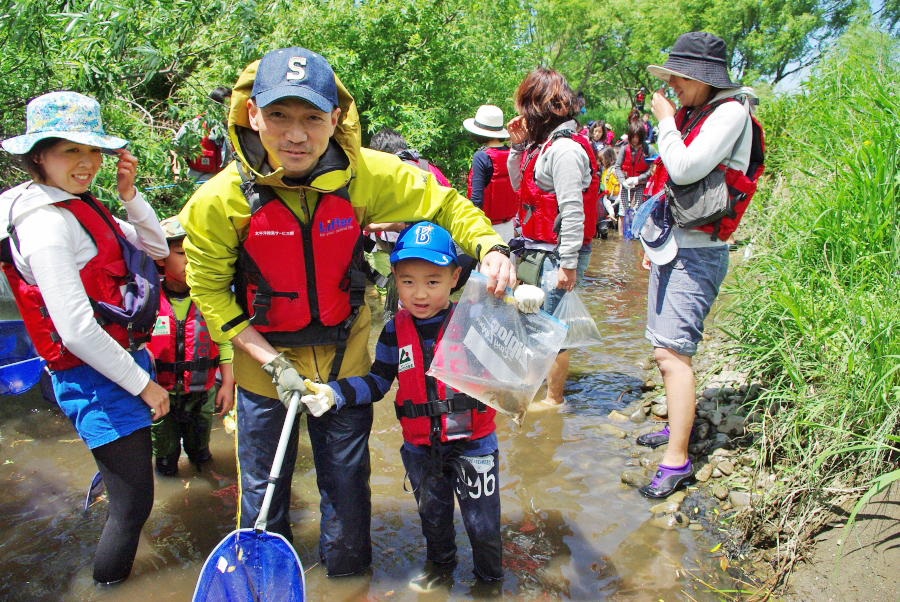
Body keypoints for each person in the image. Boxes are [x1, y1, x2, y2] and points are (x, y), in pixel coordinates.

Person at [177, 46, 516, 577]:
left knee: (347, 491)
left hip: (346, 359)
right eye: (280, 117)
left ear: (335, 119)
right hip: (264, 370)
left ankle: (348, 583)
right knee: (264, 498)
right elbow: (211, 295)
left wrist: (491, 247)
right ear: (252, 115)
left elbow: (446, 202)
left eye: (312, 117)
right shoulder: (216, 204)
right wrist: (270, 362)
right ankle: (268, 582)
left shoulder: (366, 177)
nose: (296, 135)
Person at [299, 222, 544, 591]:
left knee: (483, 525)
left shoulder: (475, 318)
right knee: (433, 519)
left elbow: (519, 363)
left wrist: (526, 315)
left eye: (433, 281)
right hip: (421, 449)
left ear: (455, 277)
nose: (420, 293)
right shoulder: (394, 331)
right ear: (394, 279)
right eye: (408, 281)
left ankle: (491, 582)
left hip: (474, 443)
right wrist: (334, 393)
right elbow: (378, 382)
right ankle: (440, 570)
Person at [0, 91, 170, 584]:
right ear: (39, 155)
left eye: (93, 150)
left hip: (116, 365)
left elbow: (157, 248)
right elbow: (75, 330)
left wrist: (129, 195)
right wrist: (146, 386)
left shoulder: (77, 204)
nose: (87, 162)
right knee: (133, 505)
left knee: (131, 495)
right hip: (95, 376)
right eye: (70, 151)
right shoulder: (46, 224)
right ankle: (107, 588)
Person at [636, 32, 762, 498]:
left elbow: (685, 168)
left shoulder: (730, 112)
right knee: (664, 350)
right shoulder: (698, 112)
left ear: (704, 78)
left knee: (673, 355)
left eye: (679, 76)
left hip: (698, 253)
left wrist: (665, 122)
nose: (671, 84)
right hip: (675, 247)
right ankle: (676, 431)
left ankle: (678, 460)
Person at [506, 67, 599, 407]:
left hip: (558, 255)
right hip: (538, 250)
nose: (520, 116)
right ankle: (535, 387)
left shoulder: (564, 150)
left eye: (524, 107)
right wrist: (517, 149)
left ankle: (554, 400)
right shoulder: (541, 146)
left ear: (537, 108)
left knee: (551, 330)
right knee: (532, 323)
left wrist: (569, 265)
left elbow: (573, 210)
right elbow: (521, 188)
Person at [148, 216, 235, 476]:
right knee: (165, 460)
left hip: (202, 394)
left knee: (201, 454)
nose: (190, 260)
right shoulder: (148, 300)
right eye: (181, 253)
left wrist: (228, 384)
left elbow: (225, 340)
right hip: (160, 395)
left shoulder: (211, 297)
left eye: (196, 253)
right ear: (160, 258)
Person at [464, 105, 518, 243]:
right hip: (509, 227)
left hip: (488, 228)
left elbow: (476, 198)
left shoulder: (481, 157)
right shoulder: (512, 153)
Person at [172, 86, 232, 183]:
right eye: (222, 107)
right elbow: (176, 148)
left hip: (225, 181)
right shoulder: (193, 126)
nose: (227, 111)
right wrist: (178, 173)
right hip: (198, 180)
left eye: (229, 107)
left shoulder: (237, 128)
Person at [614, 116, 653, 230]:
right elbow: (617, 167)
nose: (635, 140)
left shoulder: (648, 149)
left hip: (641, 184)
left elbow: (653, 169)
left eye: (637, 137)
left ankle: (637, 235)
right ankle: (622, 237)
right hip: (626, 183)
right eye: (633, 137)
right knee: (622, 211)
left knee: (639, 210)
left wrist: (638, 179)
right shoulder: (624, 149)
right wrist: (623, 181)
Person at [598, 146, 620, 233]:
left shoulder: (614, 170)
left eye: (603, 159)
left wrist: (619, 198)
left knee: (616, 223)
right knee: (609, 222)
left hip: (616, 199)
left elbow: (621, 184)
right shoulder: (605, 170)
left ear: (609, 158)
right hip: (608, 199)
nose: (601, 162)